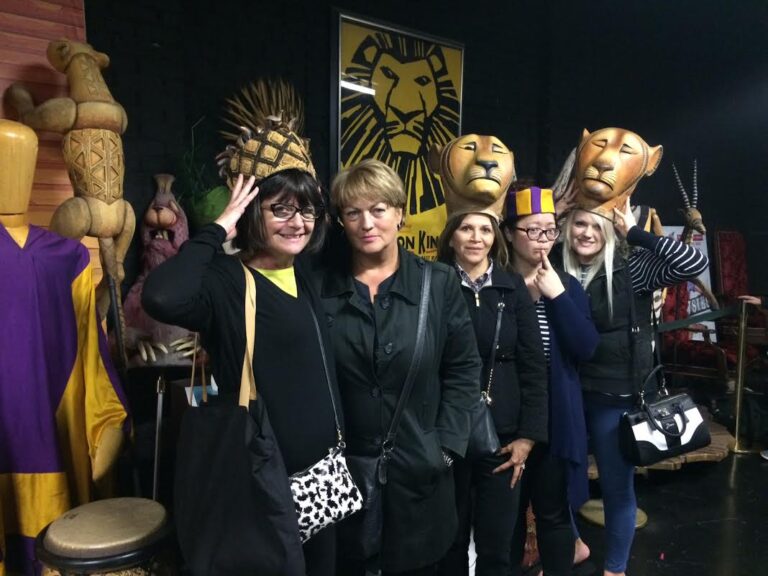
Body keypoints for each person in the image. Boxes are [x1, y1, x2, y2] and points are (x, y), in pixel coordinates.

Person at [142, 123, 339, 575]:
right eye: (281, 209)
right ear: (251, 211)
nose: (297, 222)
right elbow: (161, 297)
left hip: (322, 477)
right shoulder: (227, 281)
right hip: (263, 478)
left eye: (306, 210)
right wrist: (218, 227)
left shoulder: (306, 272)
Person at [323, 159, 481, 575]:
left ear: (400, 214)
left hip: (420, 475)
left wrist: (444, 448)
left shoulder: (439, 283)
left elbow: (464, 368)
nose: (366, 223)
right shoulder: (320, 286)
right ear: (340, 221)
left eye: (378, 209)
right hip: (342, 479)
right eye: (353, 212)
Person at [559, 202, 709, 576]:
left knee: (616, 487)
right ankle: (572, 546)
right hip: (568, 393)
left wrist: (636, 234)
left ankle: (615, 569)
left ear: (611, 231)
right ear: (568, 227)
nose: (587, 233)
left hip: (616, 396)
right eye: (580, 224)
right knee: (558, 482)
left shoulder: (632, 268)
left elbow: (693, 263)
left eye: (597, 226)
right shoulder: (555, 267)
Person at [436, 202, 549, 576]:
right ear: (451, 237)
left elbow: (534, 366)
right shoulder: (432, 283)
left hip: (504, 437)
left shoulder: (512, 286)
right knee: (447, 542)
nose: (476, 238)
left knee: (496, 546)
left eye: (485, 230)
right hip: (446, 432)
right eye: (466, 228)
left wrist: (528, 437)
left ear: (496, 238)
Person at [502, 187, 599, 576]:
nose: (543, 239)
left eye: (549, 230)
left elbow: (586, 347)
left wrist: (557, 296)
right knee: (505, 517)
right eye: (532, 230)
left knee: (554, 514)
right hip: (508, 418)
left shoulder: (567, 286)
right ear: (509, 233)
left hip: (557, 420)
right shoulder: (497, 284)